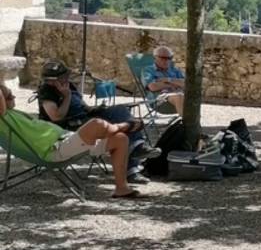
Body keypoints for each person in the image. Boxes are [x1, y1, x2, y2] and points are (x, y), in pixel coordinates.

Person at [1, 84, 150, 199]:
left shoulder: (13, 113)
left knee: (120, 139)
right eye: (8, 96)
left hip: (65, 140)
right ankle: (124, 126)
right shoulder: (3, 118)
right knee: (96, 124)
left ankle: (121, 188)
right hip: (54, 150)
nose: (14, 96)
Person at [37, 60, 159, 184]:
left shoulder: (67, 85)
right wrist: (66, 96)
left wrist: (94, 109)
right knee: (122, 129)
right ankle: (132, 169)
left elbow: (80, 105)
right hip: (70, 126)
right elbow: (57, 117)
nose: (67, 79)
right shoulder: (47, 90)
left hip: (84, 118)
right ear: (52, 80)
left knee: (120, 111)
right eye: (64, 77)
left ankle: (138, 145)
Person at [141, 45, 185, 116]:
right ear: (155, 58)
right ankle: (187, 124)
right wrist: (175, 84)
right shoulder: (148, 70)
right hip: (159, 101)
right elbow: (152, 86)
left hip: (178, 96)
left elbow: (186, 84)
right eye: (163, 58)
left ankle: (192, 124)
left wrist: (168, 80)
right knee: (179, 97)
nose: (167, 61)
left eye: (169, 58)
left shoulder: (175, 70)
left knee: (192, 96)